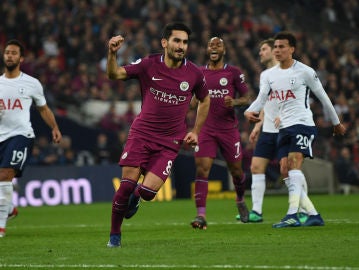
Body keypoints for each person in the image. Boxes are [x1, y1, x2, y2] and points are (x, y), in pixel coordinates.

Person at [106, 22, 210, 247]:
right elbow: (114, 74)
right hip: (142, 134)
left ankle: (136, 198)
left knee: (147, 192)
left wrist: (196, 131)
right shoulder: (148, 64)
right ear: (165, 42)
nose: (181, 46)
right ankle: (115, 235)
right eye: (177, 41)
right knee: (125, 186)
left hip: (169, 142)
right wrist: (112, 54)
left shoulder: (194, 73)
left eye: (185, 42)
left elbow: (205, 98)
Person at [244, 31, 346, 228]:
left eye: (282, 47)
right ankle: (313, 214)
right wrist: (250, 111)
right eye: (276, 47)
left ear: (292, 49)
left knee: (294, 163)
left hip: (302, 123)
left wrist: (336, 122)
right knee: (285, 169)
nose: (278, 50)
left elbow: (323, 97)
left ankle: (292, 214)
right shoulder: (268, 75)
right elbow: (261, 98)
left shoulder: (305, 71)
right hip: (282, 127)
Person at [240, 38, 308, 224]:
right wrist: (257, 125)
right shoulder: (267, 75)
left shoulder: (288, 73)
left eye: (264, 49)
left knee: (288, 171)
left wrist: (286, 118)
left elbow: (294, 101)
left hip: (286, 128)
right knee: (256, 167)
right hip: (268, 130)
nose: (261, 53)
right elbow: (264, 103)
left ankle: (303, 210)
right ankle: (256, 212)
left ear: (273, 51)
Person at [0, 39, 62, 237]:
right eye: (7, 52)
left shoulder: (31, 83)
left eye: (13, 53)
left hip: (21, 135)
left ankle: (1, 226)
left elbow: (43, 108)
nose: (9, 55)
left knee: (5, 175)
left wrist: (54, 127)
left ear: (21, 58)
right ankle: (9, 210)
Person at [190, 37, 249, 229]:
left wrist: (235, 102)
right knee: (202, 169)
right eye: (210, 45)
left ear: (224, 50)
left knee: (237, 171)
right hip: (205, 128)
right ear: (207, 50)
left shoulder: (233, 72)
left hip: (228, 130)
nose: (214, 47)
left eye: (218, 45)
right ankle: (201, 216)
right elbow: (191, 100)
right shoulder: (198, 72)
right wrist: (192, 101)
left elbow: (247, 98)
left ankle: (240, 198)